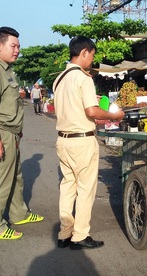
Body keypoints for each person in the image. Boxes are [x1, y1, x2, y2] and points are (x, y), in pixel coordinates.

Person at [53, 36, 124, 249]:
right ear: (84, 52)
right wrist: (114, 116)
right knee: (85, 189)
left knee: (67, 187)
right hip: (82, 142)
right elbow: (91, 110)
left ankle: (65, 233)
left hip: (63, 140)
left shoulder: (59, 79)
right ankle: (80, 235)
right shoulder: (83, 79)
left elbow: (75, 110)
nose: (92, 61)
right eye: (92, 56)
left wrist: (98, 117)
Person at [0, 26, 43, 240]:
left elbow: (9, 104)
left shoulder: (5, 69)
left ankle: (19, 213)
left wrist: (17, 131)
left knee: (15, 176)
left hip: (10, 133)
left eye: (18, 46)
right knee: (0, 179)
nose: (17, 50)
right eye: (13, 46)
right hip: (0, 133)